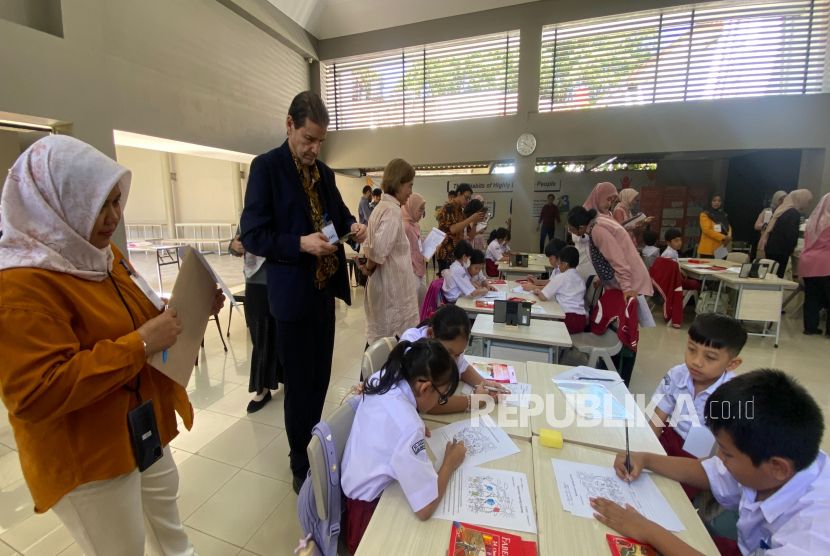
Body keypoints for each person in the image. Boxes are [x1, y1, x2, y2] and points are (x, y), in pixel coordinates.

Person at [0, 135, 223, 555]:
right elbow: (36, 392)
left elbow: (138, 314)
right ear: (56, 203)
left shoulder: (100, 254)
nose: (112, 217)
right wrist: (139, 345)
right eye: (98, 205)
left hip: (140, 423)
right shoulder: (21, 285)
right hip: (90, 455)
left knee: (170, 534)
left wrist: (186, 309)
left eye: (117, 202)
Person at [240, 91, 368, 493]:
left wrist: (354, 228)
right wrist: (300, 244)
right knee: (299, 384)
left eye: (319, 142)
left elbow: (340, 215)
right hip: (292, 295)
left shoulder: (324, 173)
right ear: (289, 125)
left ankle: (316, 445)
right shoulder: (267, 168)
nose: (314, 148)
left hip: (322, 293)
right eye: (307, 139)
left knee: (320, 378)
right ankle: (300, 461)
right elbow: (254, 235)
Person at [593, 369, 830, 556]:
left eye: (726, 453)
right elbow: (708, 471)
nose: (719, 459)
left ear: (778, 467)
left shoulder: (814, 534)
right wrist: (645, 458)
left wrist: (649, 531)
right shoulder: (773, 457)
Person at [340, 339, 467, 553]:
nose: (439, 403)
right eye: (441, 397)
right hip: (367, 521)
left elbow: (389, 424)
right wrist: (449, 463)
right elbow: (425, 508)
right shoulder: (408, 427)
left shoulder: (383, 377)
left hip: (354, 492)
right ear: (425, 386)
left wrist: (411, 423)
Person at [567, 206, 653, 384]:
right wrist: (602, 277)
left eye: (572, 228)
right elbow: (606, 259)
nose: (571, 231)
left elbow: (617, 260)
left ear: (581, 226)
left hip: (628, 282)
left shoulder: (598, 230)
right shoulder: (596, 225)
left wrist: (627, 287)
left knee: (625, 323)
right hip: (619, 282)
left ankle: (617, 375)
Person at [649, 314, 746, 466]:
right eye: (691, 349)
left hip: (704, 456)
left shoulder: (734, 395)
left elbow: (730, 449)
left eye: (710, 357)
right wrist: (651, 449)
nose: (696, 362)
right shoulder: (676, 374)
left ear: (732, 364)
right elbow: (658, 416)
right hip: (670, 436)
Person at [400, 304, 508, 415]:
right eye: (449, 353)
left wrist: (485, 383)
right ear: (431, 334)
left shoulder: (449, 346)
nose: (453, 361)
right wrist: (473, 401)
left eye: (458, 354)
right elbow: (430, 404)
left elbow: (462, 367)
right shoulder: (413, 346)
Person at [359, 158, 420, 345]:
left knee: (382, 340)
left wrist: (368, 266)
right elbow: (377, 249)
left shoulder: (381, 208)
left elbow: (371, 246)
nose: (410, 192)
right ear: (399, 183)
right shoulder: (392, 211)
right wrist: (369, 267)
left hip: (385, 285)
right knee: (390, 342)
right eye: (409, 186)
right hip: (391, 290)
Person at [229, 233, 282, 412]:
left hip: (283, 277)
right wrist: (234, 246)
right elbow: (237, 241)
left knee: (285, 333)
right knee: (260, 335)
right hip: (256, 281)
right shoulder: (251, 214)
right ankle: (263, 387)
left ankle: (288, 376)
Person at [529, 246, 587, 333]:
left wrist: (537, 291)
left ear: (565, 264)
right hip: (582, 320)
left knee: (542, 326)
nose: (558, 266)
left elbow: (543, 297)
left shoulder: (561, 277)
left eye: (559, 263)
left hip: (567, 319)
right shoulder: (580, 278)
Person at [760, 189, 813, 278]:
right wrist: (792, 249)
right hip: (781, 250)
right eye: (807, 202)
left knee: (769, 275)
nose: (808, 205)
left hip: (771, 247)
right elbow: (791, 235)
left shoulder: (782, 209)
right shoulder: (794, 213)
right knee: (777, 278)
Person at [799, 192, 830, 336]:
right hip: (826, 263)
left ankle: (810, 328)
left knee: (811, 297)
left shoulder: (813, 221)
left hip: (808, 262)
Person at [436, 183, 486, 271]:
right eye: (466, 198)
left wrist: (475, 222)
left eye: (469, 199)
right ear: (459, 193)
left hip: (457, 254)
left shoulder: (460, 212)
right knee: (447, 283)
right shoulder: (449, 207)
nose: (467, 201)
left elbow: (471, 236)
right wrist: (471, 219)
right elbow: (453, 229)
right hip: (447, 253)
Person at [402, 191, 428, 307]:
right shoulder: (405, 226)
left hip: (419, 267)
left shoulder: (415, 225)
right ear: (410, 207)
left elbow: (417, 246)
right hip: (410, 270)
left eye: (423, 210)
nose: (422, 214)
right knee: (412, 305)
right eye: (420, 209)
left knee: (421, 302)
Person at [697, 194, 731, 258]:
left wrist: (729, 236)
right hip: (708, 249)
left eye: (719, 201)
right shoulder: (705, 214)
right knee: (707, 267)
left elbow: (728, 227)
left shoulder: (723, 214)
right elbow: (707, 230)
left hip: (721, 247)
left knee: (721, 266)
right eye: (714, 200)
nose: (716, 203)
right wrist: (723, 237)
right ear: (710, 202)